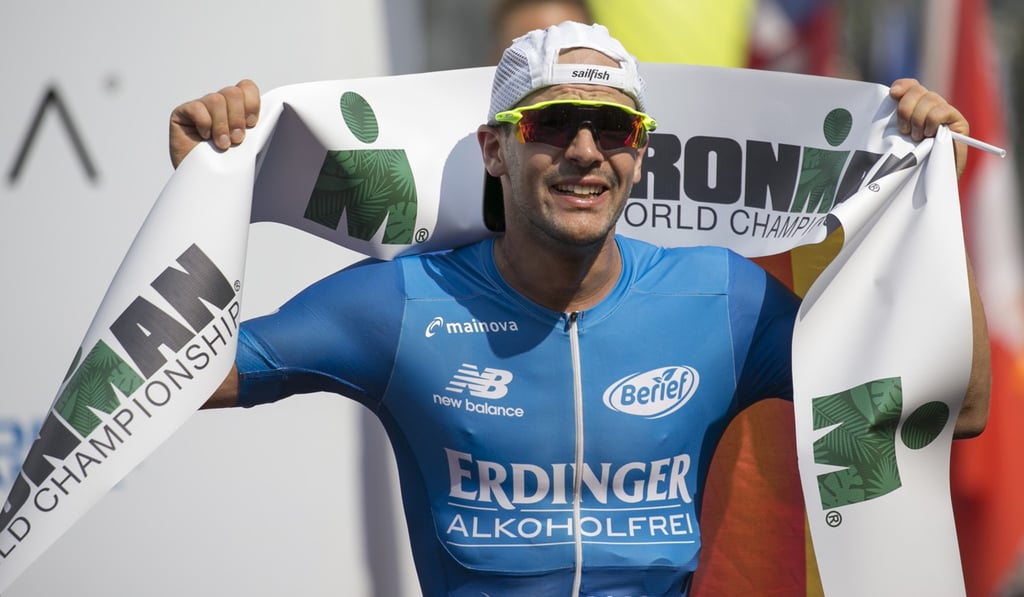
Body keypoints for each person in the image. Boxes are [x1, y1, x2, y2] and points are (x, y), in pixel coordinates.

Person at [168, 20, 991, 597]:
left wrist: (934, 215)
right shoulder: (401, 303)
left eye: (614, 128)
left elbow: (958, 406)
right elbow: (182, 380)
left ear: (642, 153)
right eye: (554, 124)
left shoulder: (724, 299)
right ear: (497, 148)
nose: (587, 152)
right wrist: (200, 198)